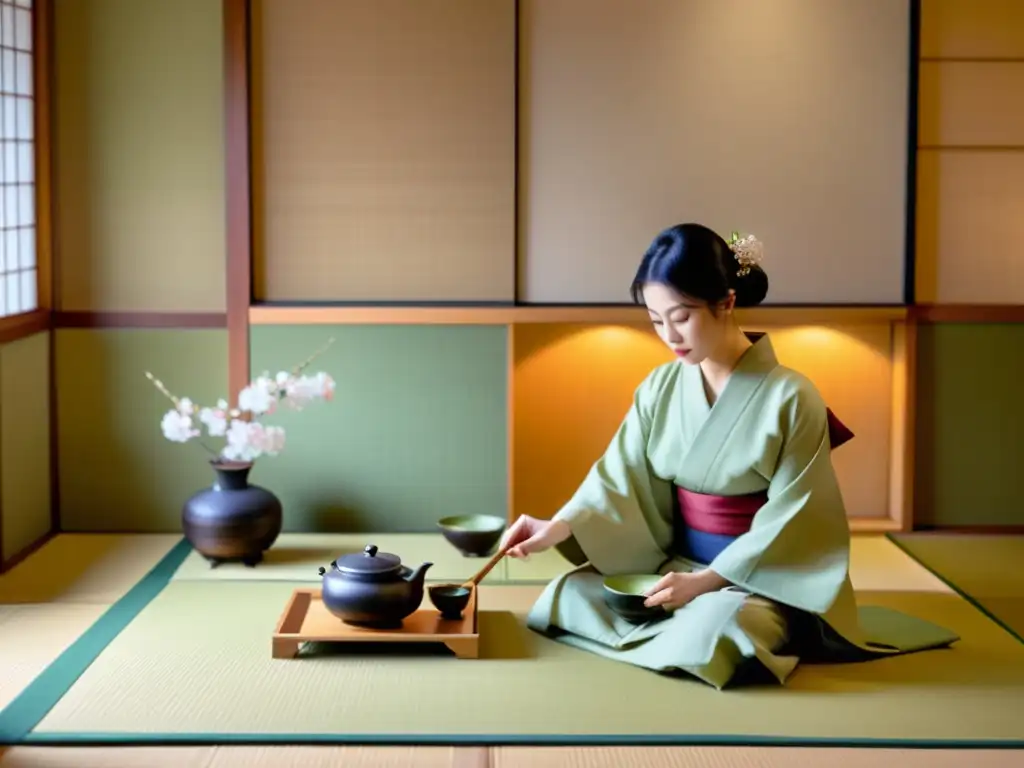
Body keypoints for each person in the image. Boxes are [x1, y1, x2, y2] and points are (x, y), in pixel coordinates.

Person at [501, 223, 958, 689]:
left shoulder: (793, 397)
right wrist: (556, 527)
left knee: (722, 630)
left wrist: (705, 583)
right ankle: (675, 639)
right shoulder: (659, 387)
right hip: (672, 568)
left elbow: (796, 521)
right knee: (565, 594)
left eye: (681, 316)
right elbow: (618, 477)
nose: (669, 335)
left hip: (753, 583)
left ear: (726, 302)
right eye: (656, 321)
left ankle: (687, 635)